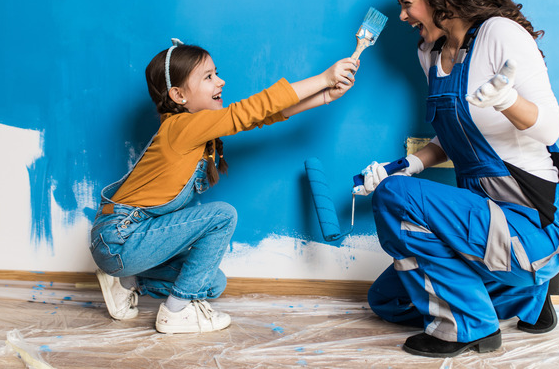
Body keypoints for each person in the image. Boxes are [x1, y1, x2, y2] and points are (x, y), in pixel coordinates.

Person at [354, 0, 559, 357]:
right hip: (482, 223)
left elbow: (550, 128)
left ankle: (470, 327)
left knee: (394, 200)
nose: (403, 15)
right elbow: (456, 138)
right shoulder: (431, 53)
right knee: (387, 300)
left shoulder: (499, 34)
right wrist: (403, 167)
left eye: (408, 3)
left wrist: (506, 100)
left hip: (531, 225)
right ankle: (528, 298)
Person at [90, 38, 358, 334]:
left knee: (212, 282)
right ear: (178, 95)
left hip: (128, 243)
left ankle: (127, 281)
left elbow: (262, 118)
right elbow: (250, 111)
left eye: (216, 73)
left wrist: (324, 97)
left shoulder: (196, 130)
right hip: (120, 239)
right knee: (222, 215)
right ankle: (176, 312)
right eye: (208, 77)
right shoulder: (180, 128)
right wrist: (323, 78)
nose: (221, 81)